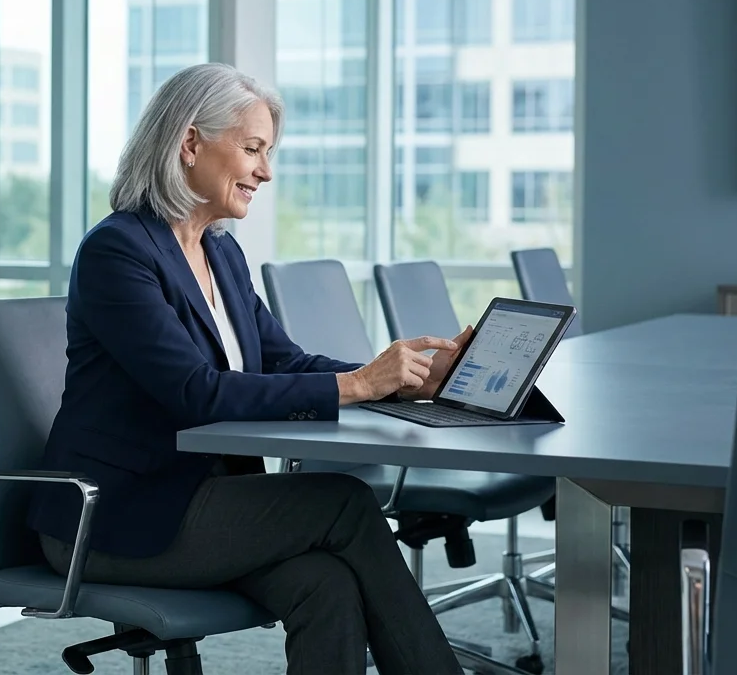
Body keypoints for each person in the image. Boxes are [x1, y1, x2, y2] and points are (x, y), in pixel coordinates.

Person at [28, 63, 473, 674]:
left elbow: (283, 362)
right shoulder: (117, 252)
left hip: (203, 502)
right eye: (253, 149)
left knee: (325, 584)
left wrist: (403, 378)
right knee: (344, 503)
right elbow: (196, 392)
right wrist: (359, 385)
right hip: (115, 518)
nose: (266, 171)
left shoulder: (220, 251)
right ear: (189, 144)